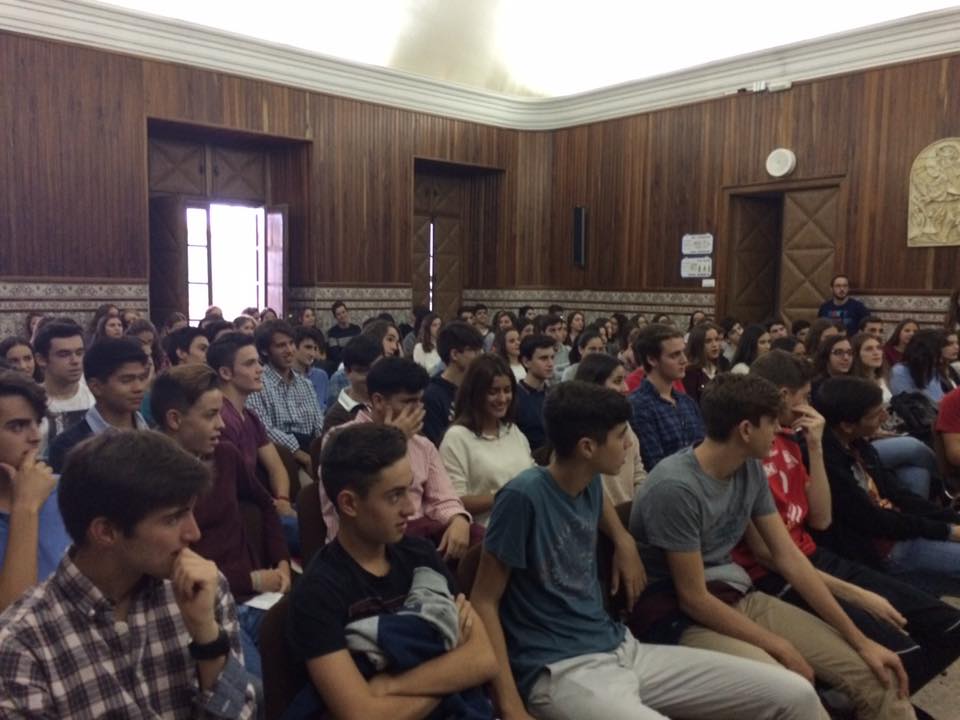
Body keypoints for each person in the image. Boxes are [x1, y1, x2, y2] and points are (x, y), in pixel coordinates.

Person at [472, 381, 825, 720]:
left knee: (796, 694)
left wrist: (623, 540)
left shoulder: (587, 481)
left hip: (621, 648)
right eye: (620, 436)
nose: (629, 445)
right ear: (587, 448)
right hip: (561, 669)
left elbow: (600, 507)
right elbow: (484, 601)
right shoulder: (522, 498)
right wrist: (510, 707)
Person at [629, 373, 913, 720]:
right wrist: (781, 646)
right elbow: (694, 598)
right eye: (772, 423)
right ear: (746, 430)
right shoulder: (676, 488)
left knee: (879, 679)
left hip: (736, 594)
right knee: (790, 690)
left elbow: (789, 556)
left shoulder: (747, 467)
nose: (781, 430)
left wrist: (861, 640)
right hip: (678, 614)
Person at [742, 350, 960, 691]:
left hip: (817, 555)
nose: (810, 406)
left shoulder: (798, 441)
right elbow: (773, 554)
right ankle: (874, 703)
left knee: (946, 626)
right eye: (805, 397)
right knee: (905, 652)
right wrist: (858, 595)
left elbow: (821, 519)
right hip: (800, 567)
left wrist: (814, 446)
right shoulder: (752, 455)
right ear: (784, 396)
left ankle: (883, 701)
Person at [0, 431, 259, 717]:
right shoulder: (23, 643)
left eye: (190, 512)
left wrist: (207, 638)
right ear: (106, 532)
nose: (194, 533)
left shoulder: (203, 588)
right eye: (173, 518)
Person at [287, 424, 497, 719]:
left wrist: (390, 685)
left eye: (409, 489)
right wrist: (450, 665)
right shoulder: (317, 592)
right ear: (349, 503)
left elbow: (484, 658)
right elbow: (364, 714)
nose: (410, 508)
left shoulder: (422, 555)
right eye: (395, 496)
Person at [153, 364, 291, 678]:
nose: (221, 424)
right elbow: (173, 570)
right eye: (210, 415)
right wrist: (251, 580)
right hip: (207, 608)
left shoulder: (225, 456)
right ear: (174, 419)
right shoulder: (150, 479)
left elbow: (265, 505)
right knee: (253, 693)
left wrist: (282, 562)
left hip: (259, 598)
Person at [318, 358, 474, 557]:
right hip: (367, 542)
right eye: (408, 402)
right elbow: (352, 499)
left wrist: (458, 518)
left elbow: (444, 498)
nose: (418, 409)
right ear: (378, 401)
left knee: (479, 539)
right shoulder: (339, 438)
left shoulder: (423, 445)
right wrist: (393, 438)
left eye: (420, 401)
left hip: (420, 538)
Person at [817, 376, 960, 587]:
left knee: (914, 473)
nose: (885, 416)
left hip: (898, 529)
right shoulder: (828, 464)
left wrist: (952, 519)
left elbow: (899, 494)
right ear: (847, 425)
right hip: (884, 549)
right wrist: (947, 531)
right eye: (876, 414)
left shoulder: (858, 445)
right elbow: (874, 520)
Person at [208, 333, 299, 548]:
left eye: (259, 362)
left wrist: (283, 500)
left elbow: (276, 466)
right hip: (242, 511)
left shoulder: (250, 416)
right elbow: (236, 486)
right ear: (225, 372)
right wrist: (274, 505)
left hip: (264, 503)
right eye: (250, 364)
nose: (260, 369)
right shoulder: (220, 419)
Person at [0, 371, 68, 611]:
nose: (35, 437)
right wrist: (26, 505)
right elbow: (14, 617)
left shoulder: (68, 490)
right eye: (17, 426)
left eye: (37, 423)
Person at [439, 355, 533, 526]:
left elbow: (532, 474)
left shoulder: (512, 430)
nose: (502, 399)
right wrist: (505, 496)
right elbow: (454, 501)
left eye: (507, 390)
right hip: (487, 531)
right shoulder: (457, 438)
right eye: (493, 392)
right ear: (476, 394)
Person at [852, 332, 938, 500]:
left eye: (878, 348)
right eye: (869, 349)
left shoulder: (882, 379)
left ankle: (917, 514)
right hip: (867, 443)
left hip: (892, 432)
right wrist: (877, 431)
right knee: (915, 446)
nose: (876, 352)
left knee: (916, 472)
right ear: (856, 354)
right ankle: (950, 483)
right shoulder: (854, 384)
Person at [48, 337, 150, 473]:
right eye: (126, 380)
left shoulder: (153, 431)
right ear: (96, 387)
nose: (139, 388)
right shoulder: (68, 446)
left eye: (142, 378)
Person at [246, 320, 325, 474]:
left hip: (312, 452)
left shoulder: (305, 384)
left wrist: (319, 454)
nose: (289, 350)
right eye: (281, 345)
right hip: (279, 458)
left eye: (291, 343)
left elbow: (318, 425)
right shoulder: (258, 384)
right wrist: (302, 456)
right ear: (264, 351)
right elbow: (263, 430)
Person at [628, 323, 704, 471]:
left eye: (683, 352)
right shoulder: (638, 406)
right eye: (674, 355)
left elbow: (703, 449)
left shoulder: (687, 402)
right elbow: (655, 465)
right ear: (652, 360)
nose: (684, 360)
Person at [574, 353, 647, 503]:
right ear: (595, 385)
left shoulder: (623, 422)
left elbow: (638, 471)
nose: (626, 388)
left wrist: (641, 505)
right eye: (618, 381)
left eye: (624, 380)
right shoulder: (582, 430)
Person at [34, 321, 95, 451]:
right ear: (41, 359)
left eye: (79, 353)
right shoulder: (29, 401)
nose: (75, 361)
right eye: (64, 354)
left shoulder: (96, 398)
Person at [422, 321, 484, 447]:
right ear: (455, 354)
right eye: (474, 351)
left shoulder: (479, 387)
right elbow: (438, 443)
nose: (481, 356)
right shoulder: (432, 396)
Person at [323, 334, 382, 437]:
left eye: (377, 368)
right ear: (347, 371)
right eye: (364, 371)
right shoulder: (336, 418)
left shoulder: (390, 399)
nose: (371, 376)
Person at [515, 334, 555, 453]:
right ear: (526, 362)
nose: (550, 363)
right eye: (543, 358)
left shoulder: (555, 395)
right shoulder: (514, 397)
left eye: (552, 357)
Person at [890, 329, 951, 404]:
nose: (940, 360)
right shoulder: (900, 372)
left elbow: (939, 396)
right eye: (937, 355)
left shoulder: (932, 370)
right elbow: (907, 405)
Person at [682, 321, 729, 403]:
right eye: (708, 341)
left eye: (717, 339)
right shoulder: (690, 372)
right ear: (697, 345)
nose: (715, 345)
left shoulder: (724, 365)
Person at [292, 325, 329, 414]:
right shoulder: (284, 377)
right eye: (308, 347)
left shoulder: (321, 376)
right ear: (294, 347)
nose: (312, 353)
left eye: (315, 348)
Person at [326, 301, 361, 376]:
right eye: (338, 314)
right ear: (335, 317)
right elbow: (335, 355)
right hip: (342, 366)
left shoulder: (356, 329)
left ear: (347, 312)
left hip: (357, 364)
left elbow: (360, 348)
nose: (342, 316)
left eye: (343, 312)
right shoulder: (332, 333)